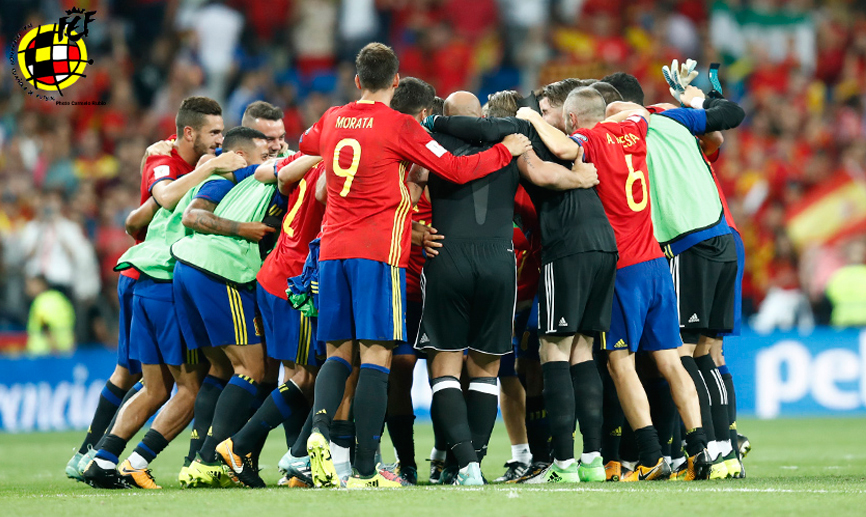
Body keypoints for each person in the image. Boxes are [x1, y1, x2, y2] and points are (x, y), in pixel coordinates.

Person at [297, 42, 530, 489]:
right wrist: (505, 151)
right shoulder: (400, 125)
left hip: (331, 250)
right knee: (377, 355)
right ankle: (366, 470)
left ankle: (320, 433)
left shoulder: (332, 117)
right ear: (396, 81)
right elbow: (456, 170)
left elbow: (309, 145)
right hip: (377, 251)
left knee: (338, 352)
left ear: (357, 80)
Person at [518, 87, 712, 481]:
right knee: (671, 361)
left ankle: (651, 456)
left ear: (573, 119)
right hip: (656, 261)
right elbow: (639, 109)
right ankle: (698, 450)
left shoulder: (588, 139)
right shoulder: (633, 128)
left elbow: (562, 148)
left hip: (624, 268)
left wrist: (532, 117)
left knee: (620, 364)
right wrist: (617, 109)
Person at [426, 83, 614, 484]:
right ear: (481, 117)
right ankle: (485, 463)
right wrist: (580, 177)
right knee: (489, 369)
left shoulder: (431, 142)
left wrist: (413, 231)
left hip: (449, 258)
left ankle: (467, 465)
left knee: (446, 367)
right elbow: (544, 174)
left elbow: (407, 186)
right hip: (501, 262)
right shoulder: (512, 141)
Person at [83, 101, 249, 489]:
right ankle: (139, 461)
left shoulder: (184, 172)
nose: (219, 141)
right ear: (190, 133)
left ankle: (101, 459)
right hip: (167, 281)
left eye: (222, 134)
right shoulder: (210, 172)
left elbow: (134, 220)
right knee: (191, 388)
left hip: (142, 278)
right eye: (214, 133)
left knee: (155, 387)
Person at [604, 70, 746, 479]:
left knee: (680, 354)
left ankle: (703, 452)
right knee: (709, 352)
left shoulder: (629, 131)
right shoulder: (672, 118)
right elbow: (717, 135)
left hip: (686, 243)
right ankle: (726, 449)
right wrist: (698, 100)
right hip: (724, 236)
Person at [170, 127, 287, 488]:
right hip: (219, 270)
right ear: (241, 155)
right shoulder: (227, 177)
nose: (270, 158)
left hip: (188, 268)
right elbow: (192, 216)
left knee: (220, 368)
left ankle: (195, 462)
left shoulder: (246, 180)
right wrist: (242, 229)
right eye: (264, 153)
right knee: (252, 368)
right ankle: (209, 459)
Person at [25, 275, 75, 355]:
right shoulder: (60, 298)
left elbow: (45, 325)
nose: (28, 289)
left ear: (41, 285)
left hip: (44, 353)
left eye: (32, 285)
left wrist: (54, 348)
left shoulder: (41, 301)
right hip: (66, 348)